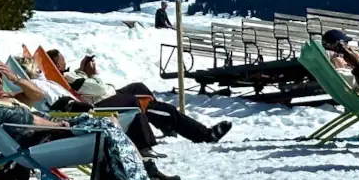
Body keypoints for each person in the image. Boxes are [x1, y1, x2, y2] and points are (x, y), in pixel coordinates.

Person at [0, 60, 167, 180]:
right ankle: (133, 177)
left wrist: (15, 78)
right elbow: (30, 121)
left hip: (52, 132)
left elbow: (38, 96)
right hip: (46, 138)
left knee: (110, 122)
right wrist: (58, 125)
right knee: (107, 125)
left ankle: (133, 174)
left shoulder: (7, 99)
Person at [52, 50, 232, 145]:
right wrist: (91, 73)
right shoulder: (69, 77)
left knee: (139, 87)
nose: (64, 60)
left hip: (111, 95)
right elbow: (98, 88)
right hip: (104, 102)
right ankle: (204, 135)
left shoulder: (70, 76)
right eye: (61, 59)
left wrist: (83, 71)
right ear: (57, 64)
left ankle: (162, 120)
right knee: (166, 110)